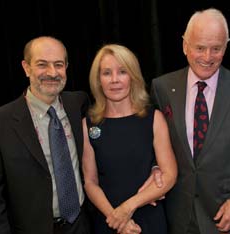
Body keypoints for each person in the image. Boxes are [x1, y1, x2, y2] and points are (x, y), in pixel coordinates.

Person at [150, 8, 230, 234]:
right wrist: (156, 167)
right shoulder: (162, 88)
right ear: (185, 46)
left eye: (216, 49)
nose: (207, 57)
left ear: (225, 48)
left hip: (227, 219)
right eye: (199, 48)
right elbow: (154, 142)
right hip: (179, 218)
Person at [0, 36, 91, 234]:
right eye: (42, 64)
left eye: (58, 64)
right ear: (26, 67)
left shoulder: (78, 103)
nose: (52, 73)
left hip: (81, 225)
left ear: (66, 67)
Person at [82, 44, 178, 234]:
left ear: (133, 77)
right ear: (98, 80)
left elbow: (169, 175)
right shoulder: (88, 124)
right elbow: (90, 182)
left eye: (122, 72)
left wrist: (127, 208)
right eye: (107, 73)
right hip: (108, 221)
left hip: (149, 221)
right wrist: (117, 219)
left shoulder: (154, 118)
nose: (115, 80)